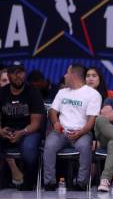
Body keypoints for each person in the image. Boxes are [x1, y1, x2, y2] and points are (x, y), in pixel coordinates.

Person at [43, 64, 101, 190]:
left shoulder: (93, 94)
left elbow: (91, 121)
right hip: (61, 131)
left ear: (74, 75)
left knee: (85, 147)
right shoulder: (62, 92)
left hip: (82, 132)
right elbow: (52, 111)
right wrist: (55, 123)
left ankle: (81, 183)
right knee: (49, 145)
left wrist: (79, 133)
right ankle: (50, 182)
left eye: (67, 73)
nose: (64, 76)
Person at [0, 62, 45, 190]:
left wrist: (21, 133)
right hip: (6, 131)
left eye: (20, 72)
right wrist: (1, 131)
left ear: (24, 74)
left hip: (28, 131)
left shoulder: (33, 92)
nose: (17, 76)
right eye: (14, 73)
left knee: (29, 148)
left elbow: (36, 123)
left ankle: (29, 181)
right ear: (8, 75)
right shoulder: (2, 92)